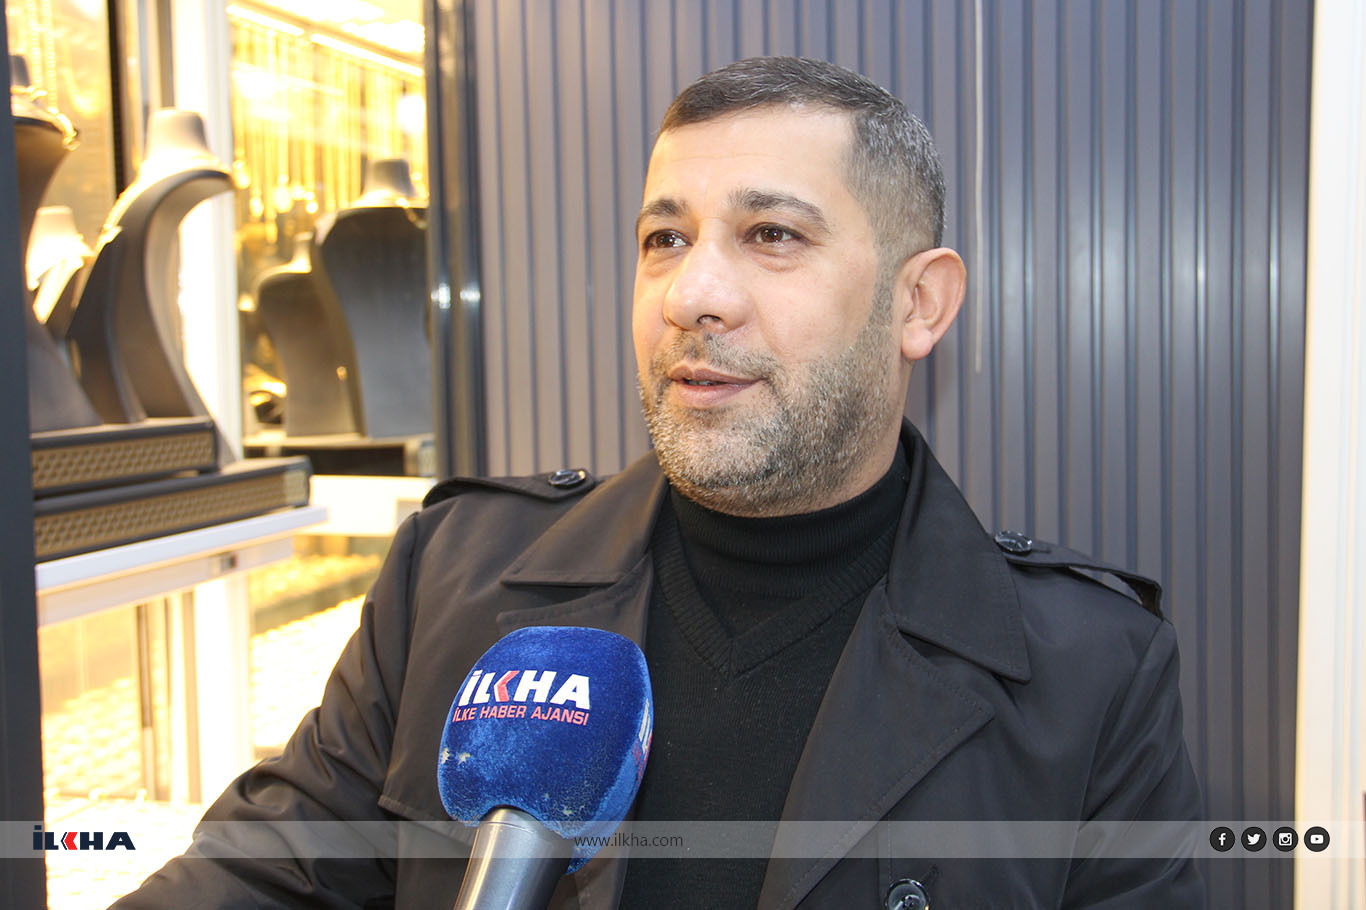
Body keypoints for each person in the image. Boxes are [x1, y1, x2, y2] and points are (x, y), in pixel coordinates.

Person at [113, 56, 1203, 909]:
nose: (692, 293)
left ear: (919, 304)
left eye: (771, 234)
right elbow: (265, 871)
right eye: (664, 237)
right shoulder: (455, 580)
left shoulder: (1087, 671)